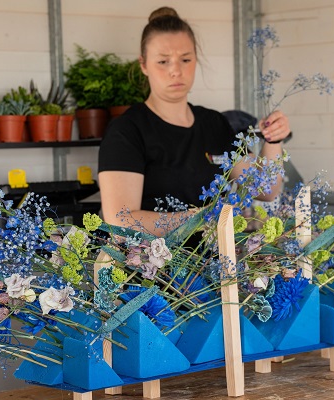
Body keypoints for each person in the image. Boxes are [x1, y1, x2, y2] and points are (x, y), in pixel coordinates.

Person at [98, 6, 291, 236]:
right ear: (143, 65)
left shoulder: (214, 124)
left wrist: (274, 139)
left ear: (195, 60)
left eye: (185, 59)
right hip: (152, 269)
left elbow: (265, 189)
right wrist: (202, 218)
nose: (176, 71)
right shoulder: (127, 131)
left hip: (217, 265)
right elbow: (121, 222)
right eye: (163, 61)